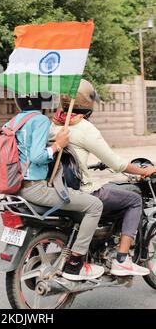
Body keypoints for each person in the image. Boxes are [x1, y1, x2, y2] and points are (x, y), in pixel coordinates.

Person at [49, 79, 156, 278]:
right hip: (81, 192)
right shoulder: (85, 128)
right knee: (133, 199)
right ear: (89, 104)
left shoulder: (55, 124)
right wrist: (144, 171)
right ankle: (122, 260)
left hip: (57, 188)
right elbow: (117, 164)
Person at [6, 92, 105, 281]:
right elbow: (37, 156)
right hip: (35, 189)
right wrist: (58, 145)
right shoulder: (39, 120)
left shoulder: (13, 122)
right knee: (94, 205)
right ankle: (75, 264)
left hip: (16, 188)